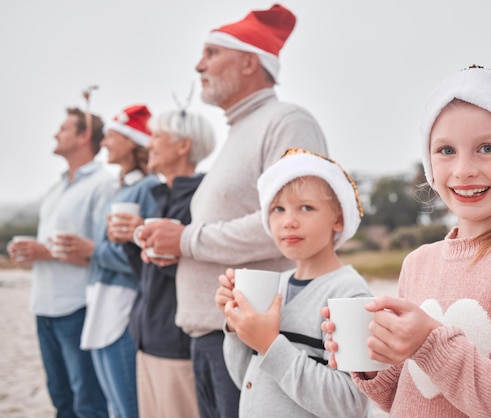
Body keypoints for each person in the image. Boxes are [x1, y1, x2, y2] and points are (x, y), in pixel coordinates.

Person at [322, 65, 491, 417]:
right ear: (429, 167)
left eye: (486, 147)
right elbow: (408, 396)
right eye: (446, 151)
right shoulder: (417, 263)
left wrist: (429, 344)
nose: (464, 169)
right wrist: (370, 359)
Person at [136, 4, 328, 417]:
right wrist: (174, 246)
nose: (198, 65)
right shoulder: (240, 129)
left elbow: (295, 225)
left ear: (247, 62)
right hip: (212, 335)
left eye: (211, 53)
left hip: (253, 336)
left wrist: (186, 239)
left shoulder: (286, 120)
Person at [215, 148, 372, 417]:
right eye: (278, 209)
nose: (288, 221)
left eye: (306, 207)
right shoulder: (277, 285)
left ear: (338, 219)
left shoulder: (351, 295)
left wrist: (269, 344)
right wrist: (236, 327)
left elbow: (351, 404)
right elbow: (248, 380)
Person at [7, 107, 113, 417]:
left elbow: (103, 253)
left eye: (63, 129)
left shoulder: (102, 184)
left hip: (77, 307)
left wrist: (44, 252)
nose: (56, 134)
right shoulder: (55, 189)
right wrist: (31, 251)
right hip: (43, 306)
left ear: (84, 137)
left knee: (88, 401)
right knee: (60, 399)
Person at [59, 104, 159, 418]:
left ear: (131, 141)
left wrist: (91, 251)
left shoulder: (148, 188)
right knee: (114, 405)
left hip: (123, 303)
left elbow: (139, 256)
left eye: (111, 136)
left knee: (128, 405)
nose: (104, 143)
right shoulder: (123, 187)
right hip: (101, 300)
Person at [125, 108, 215, 418]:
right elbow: (145, 274)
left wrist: (161, 250)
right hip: (146, 339)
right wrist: (131, 240)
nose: (149, 144)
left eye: (158, 136)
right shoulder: (160, 196)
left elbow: (203, 273)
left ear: (183, 145)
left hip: (176, 347)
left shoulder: (204, 199)